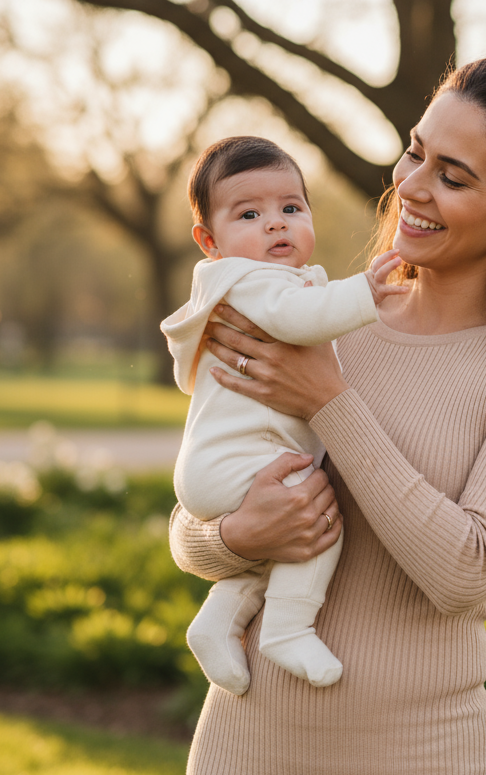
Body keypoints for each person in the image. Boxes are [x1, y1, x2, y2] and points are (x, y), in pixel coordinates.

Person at [167, 54, 486, 775]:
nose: (413, 186)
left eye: (454, 176)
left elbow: (465, 571)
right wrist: (232, 536)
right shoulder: (321, 311)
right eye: (416, 151)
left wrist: (329, 401)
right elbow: (196, 508)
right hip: (246, 762)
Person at [161, 135, 406, 694]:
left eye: (291, 208)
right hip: (239, 464)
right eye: (250, 214)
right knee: (314, 517)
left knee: (276, 544)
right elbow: (300, 320)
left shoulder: (253, 284)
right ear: (210, 242)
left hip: (219, 467)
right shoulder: (251, 283)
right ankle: (287, 627)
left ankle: (219, 619)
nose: (276, 224)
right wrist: (364, 292)